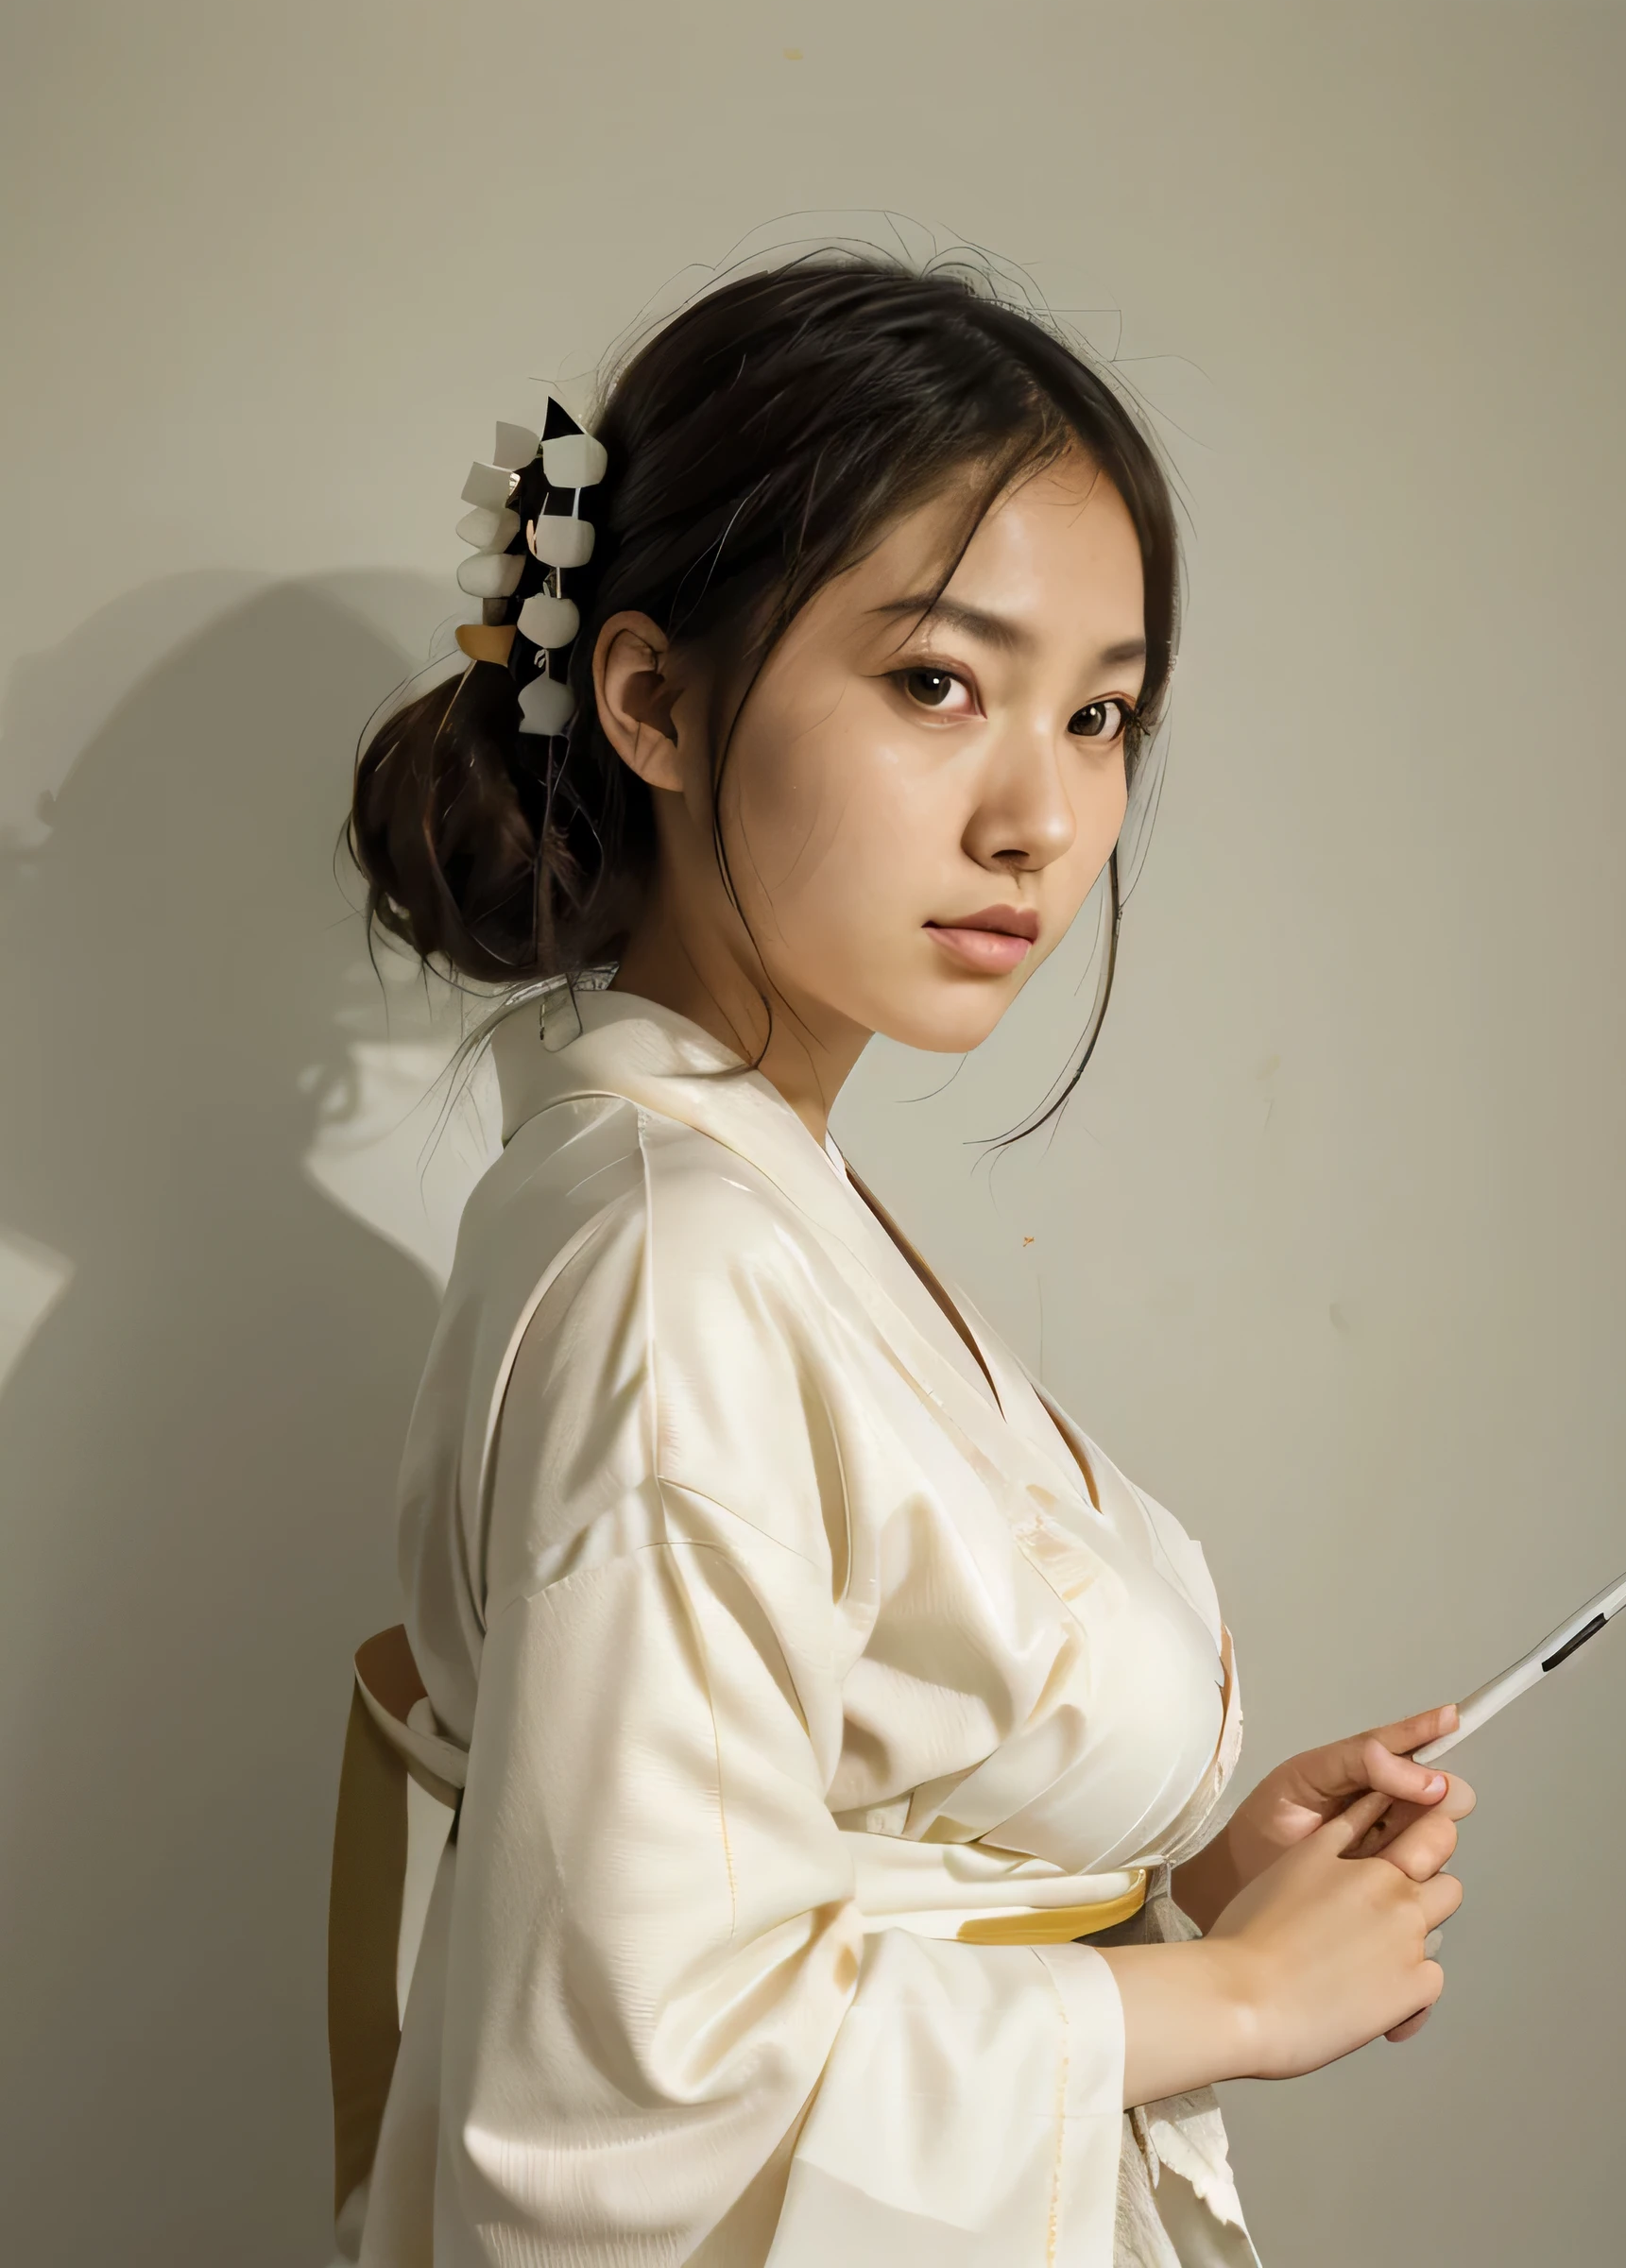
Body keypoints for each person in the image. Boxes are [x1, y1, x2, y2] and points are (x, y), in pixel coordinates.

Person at [335, 253, 1475, 2268]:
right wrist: (1233, 1994)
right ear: (654, 698)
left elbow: (806, 1834)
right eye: (938, 680)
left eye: (1100, 710)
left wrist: (1184, 1867)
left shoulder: (740, 1193)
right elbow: (619, 2090)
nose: (1042, 814)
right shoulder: (671, 1261)